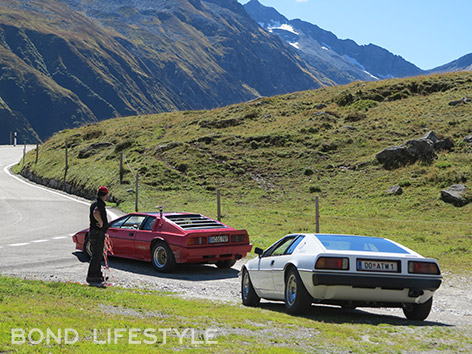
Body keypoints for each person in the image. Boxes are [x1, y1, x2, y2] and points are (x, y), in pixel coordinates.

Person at [86, 186, 110, 284]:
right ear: (105, 195)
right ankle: (92, 276)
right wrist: (101, 223)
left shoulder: (94, 203)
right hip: (97, 232)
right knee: (97, 255)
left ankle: (97, 275)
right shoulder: (99, 204)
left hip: (94, 232)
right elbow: (96, 213)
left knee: (98, 255)